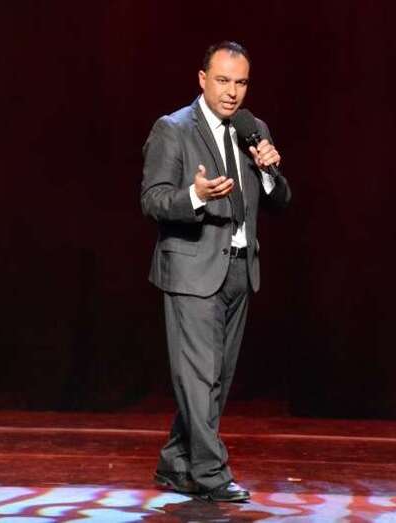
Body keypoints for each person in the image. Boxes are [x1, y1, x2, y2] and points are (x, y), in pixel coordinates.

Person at [140, 41, 292, 502]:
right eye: (223, 80)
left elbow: (281, 200)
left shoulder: (252, 129)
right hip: (192, 270)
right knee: (199, 379)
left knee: (215, 380)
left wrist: (269, 172)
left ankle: (175, 462)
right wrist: (196, 195)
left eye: (240, 82)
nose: (232, 92)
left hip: (240, 269)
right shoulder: (173, 129)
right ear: (202, 79)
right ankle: (210, 473)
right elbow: (153, 199)